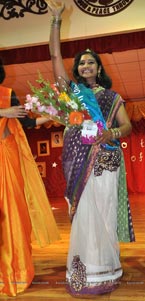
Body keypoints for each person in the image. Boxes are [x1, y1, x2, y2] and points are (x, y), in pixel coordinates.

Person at [46, 0, 135, 297]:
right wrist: (56, 20)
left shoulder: (112, 96)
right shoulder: (73, 94)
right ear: (77, 68)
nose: (86, 66)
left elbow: (127, 127)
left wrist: (110, 131)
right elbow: (54, 54)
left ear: (98, 68)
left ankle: (106, 269)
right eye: (81, 62)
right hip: (80, 162)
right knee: (85, 215)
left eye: (91, 62)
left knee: (104, 214)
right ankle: (85, 271)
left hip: (106, 161)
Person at [0, 58, 60, 297]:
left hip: (7, 157)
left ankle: (15, 271)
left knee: (13, 215)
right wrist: (2, 112)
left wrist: (53, 114)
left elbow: (26, 122)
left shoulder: (7, 93)